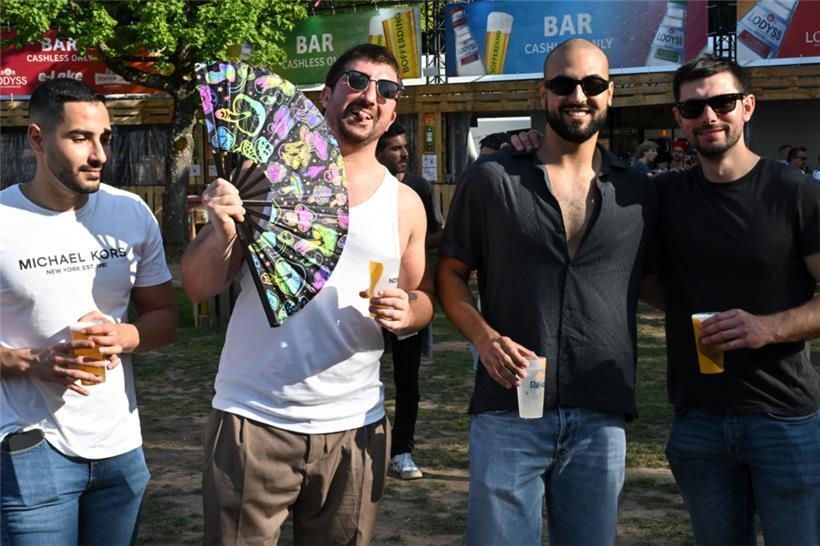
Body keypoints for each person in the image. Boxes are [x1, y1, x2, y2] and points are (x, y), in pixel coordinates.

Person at [182, 44, 434, 545]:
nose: (369, 97)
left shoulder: (405, 204)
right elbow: (198, 285)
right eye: (356, 82)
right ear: (326, 95)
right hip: (254, 416)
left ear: (392, 113)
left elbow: (421, 296)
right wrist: (221, 229)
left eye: (386, 90)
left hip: (355, 426)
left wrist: (408, 313)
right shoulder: (266, 181)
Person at [437, 38, 656, 546]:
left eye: (592, 84)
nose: (578, 95)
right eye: (563, 84)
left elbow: (662, 278)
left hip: (600, 413)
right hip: (508, 407)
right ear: (543, 93)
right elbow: (449, 273)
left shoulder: (640, 191)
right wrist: (484, 339)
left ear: (610, 93)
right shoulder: (492, 178)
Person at [0, 78, 177, 545]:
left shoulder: (130, 212)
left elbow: (163, 315)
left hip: (120, 449)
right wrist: (30, 361)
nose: (99, 154)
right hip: (30, 446)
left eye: (106, 138)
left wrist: (126, 336)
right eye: (80, 138)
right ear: (37, 138)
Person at [653, 54, 820, 545]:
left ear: (748, 106)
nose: (709, 116)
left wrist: (768, 327)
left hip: (783, 418)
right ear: (679, 117)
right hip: (697, 419)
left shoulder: (795, 192)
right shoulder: (664, 196)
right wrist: (524, 147)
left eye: (723, 103)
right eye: (693, 108)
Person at [375, 122, 442, 480]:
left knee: (408, 381)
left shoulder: (418, 188)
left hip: (407, 297)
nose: (404, 154)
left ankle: (402, 451)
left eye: (405, 146)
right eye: (395, 148)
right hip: (366, 298)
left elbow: (432, 236)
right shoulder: (362, 188)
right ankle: (363, 447)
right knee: (364, 374)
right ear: (378, 152)